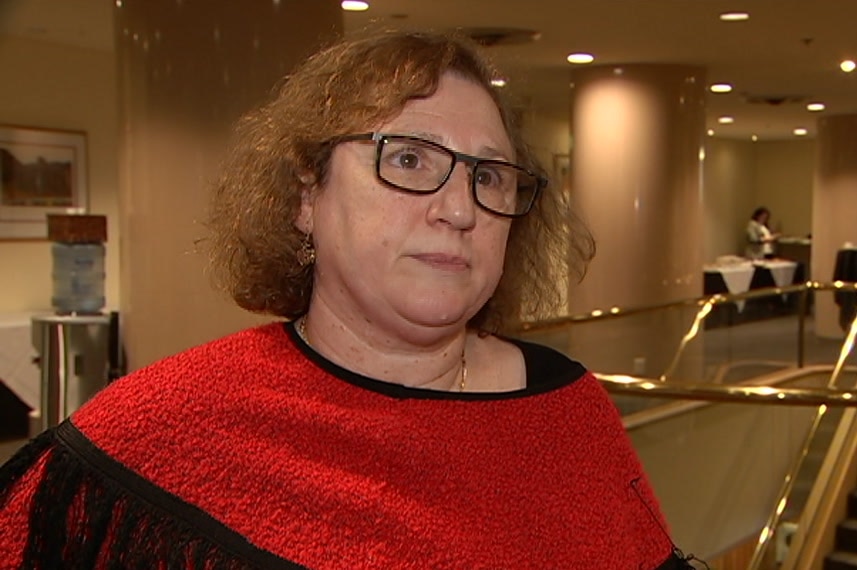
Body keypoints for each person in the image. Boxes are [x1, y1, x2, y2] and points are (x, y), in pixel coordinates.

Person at [0, 31, 692, 569]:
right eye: (409, 159)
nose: (458, 209)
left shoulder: (567, 411)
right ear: (307, 195)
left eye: (489, 174)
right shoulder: (161, 427)